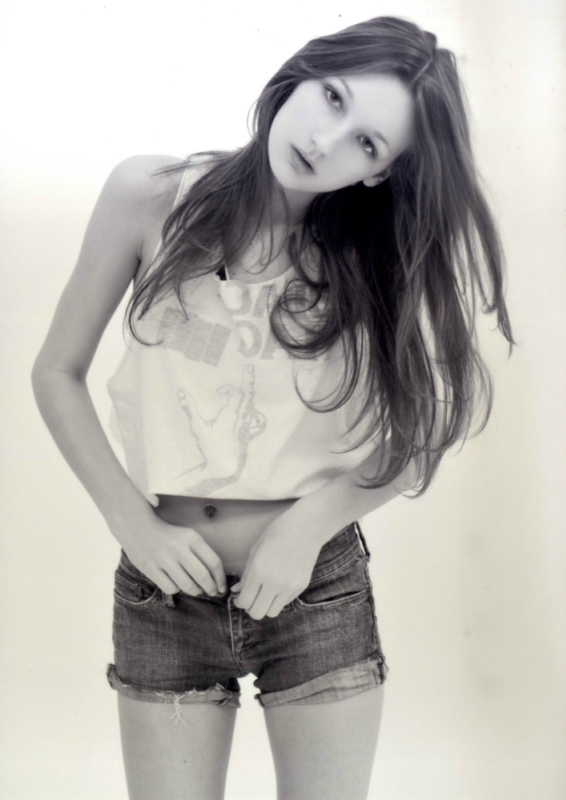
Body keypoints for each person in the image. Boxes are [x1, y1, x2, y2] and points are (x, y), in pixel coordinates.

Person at [31, 15, 513, 800]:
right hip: (163, 591)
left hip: (314, 588)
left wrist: (310, 523)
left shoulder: (374, 253)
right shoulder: (151, 196)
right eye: (333, 98)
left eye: (366, 143)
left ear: (380, 173)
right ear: (304, 73)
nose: (326, 139)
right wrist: (132, 523)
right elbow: (56, 371)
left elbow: (428, 428)